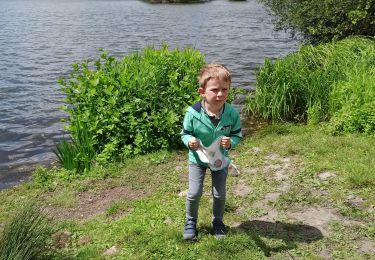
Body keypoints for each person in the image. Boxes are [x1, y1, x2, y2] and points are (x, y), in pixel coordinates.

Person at [181, 63, 242, 240]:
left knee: (220, 194)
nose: (220, 94)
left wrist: (231, 143)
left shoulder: (232, 113)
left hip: (220, 160)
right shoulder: (192, 113)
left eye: (225, 89)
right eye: (215, 90)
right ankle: (190, 222)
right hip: (197, 159)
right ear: (202, 92)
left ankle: (218, 222)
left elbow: (237, 135)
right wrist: (189, 141)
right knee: (194, 193)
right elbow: (185, 133)